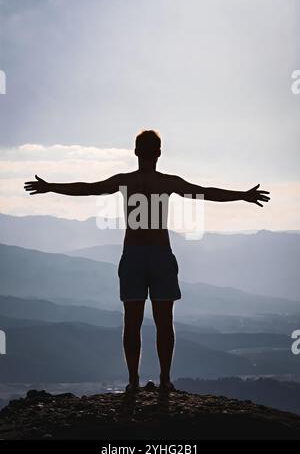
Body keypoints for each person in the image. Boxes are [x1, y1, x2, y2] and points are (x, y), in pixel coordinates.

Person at [24, 130, 270, 392]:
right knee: (164, 321)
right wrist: (242, 195)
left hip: (134, 255)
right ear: (159, 153)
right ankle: (164, 380)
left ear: (135, 151)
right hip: (160, 254)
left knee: (132, 321)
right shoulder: (167, 182)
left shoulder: (125, 181)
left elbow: (88, 188)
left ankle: (133, 381)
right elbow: (205, 192)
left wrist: (52, 187)